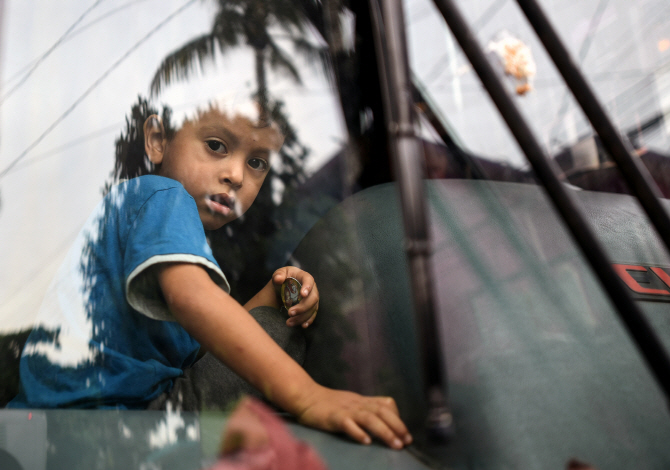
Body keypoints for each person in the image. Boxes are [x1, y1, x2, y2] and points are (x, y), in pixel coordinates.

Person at [9, 100, 412, 450]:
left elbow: (203, 348)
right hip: (117, 425)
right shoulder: (162, 197)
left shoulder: (172, 240)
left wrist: (273, 296)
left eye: (256, 163)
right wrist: (309, 397)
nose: (236, 174)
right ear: (157, 141)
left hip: (78, 423)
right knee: (282, 336)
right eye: (216, 146)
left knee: (275, 321)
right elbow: (194, 299)